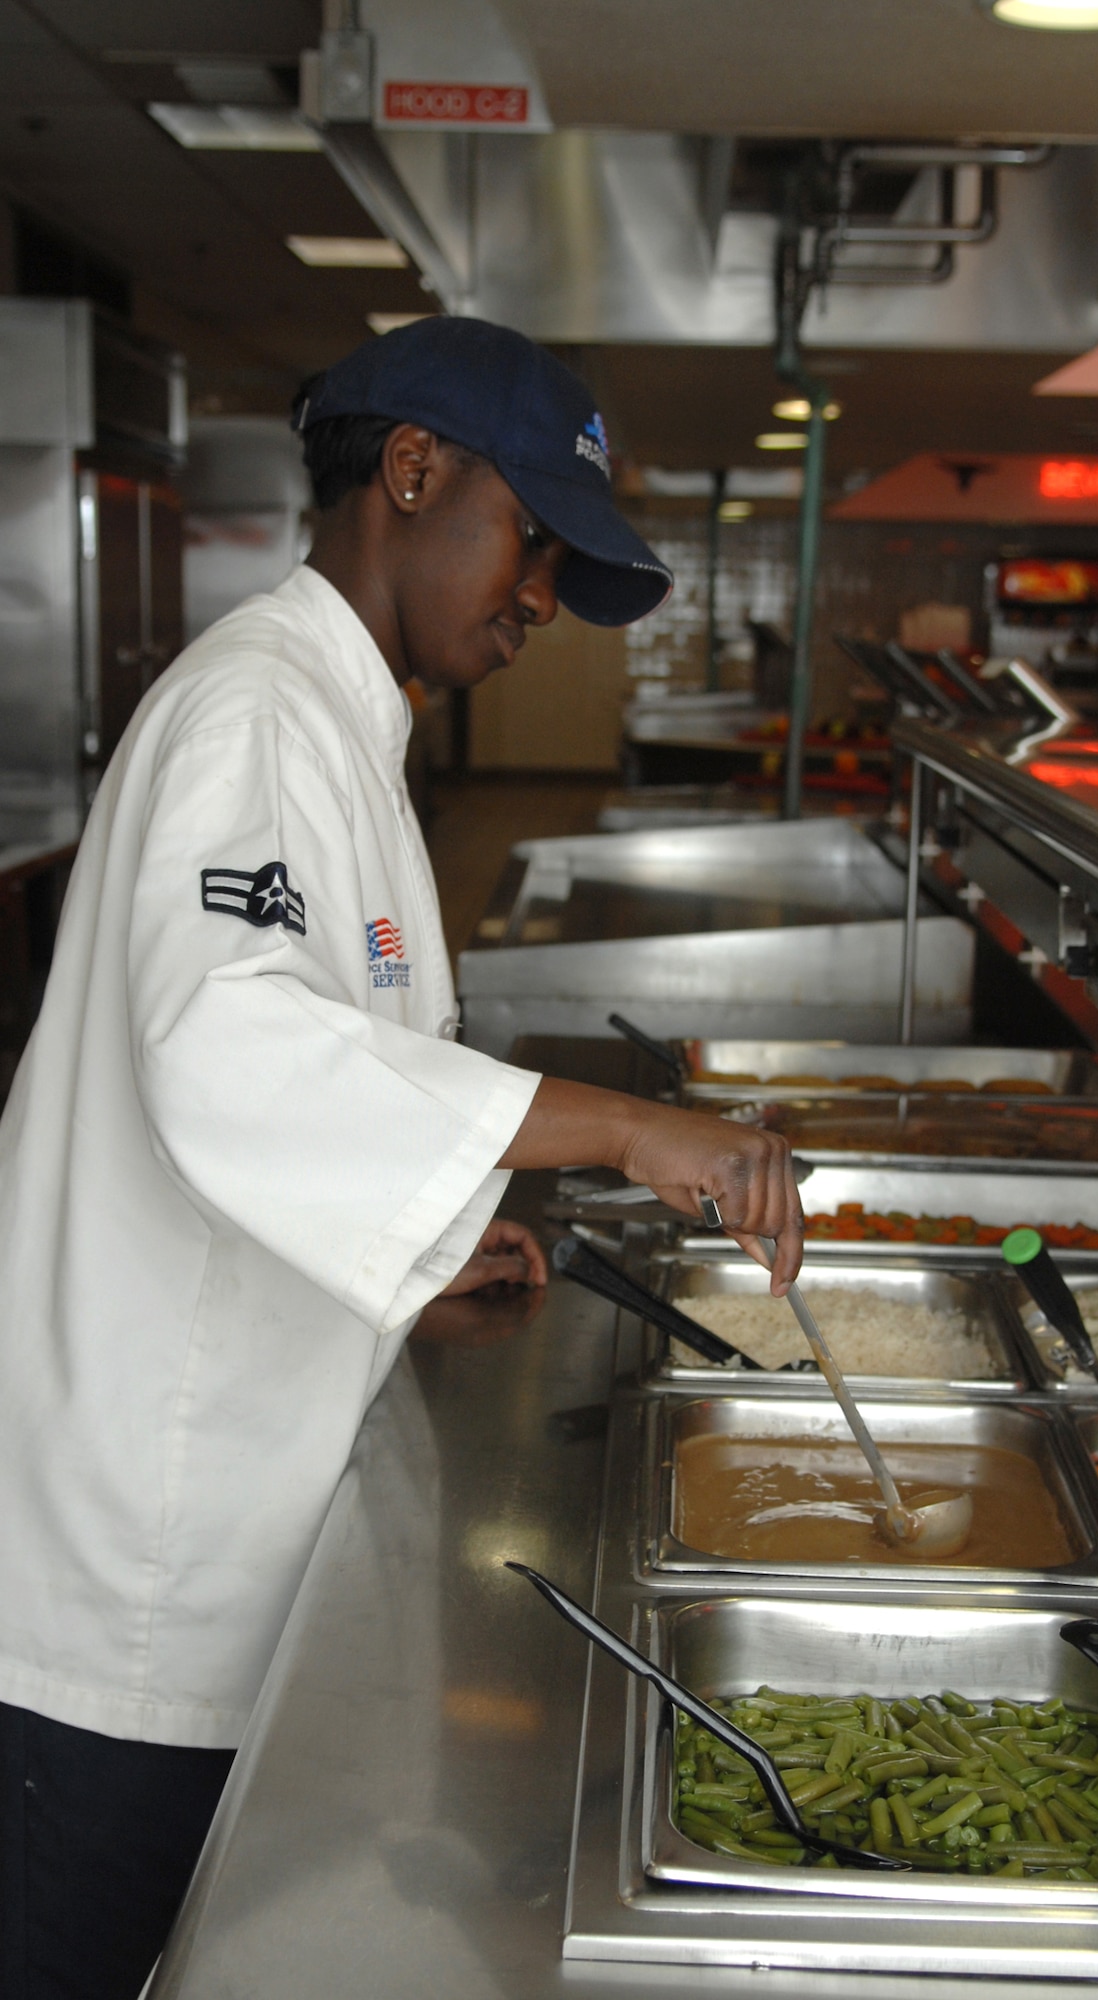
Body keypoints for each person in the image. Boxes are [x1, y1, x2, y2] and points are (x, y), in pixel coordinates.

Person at [0, 316, 803, 2000]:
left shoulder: (337, 728)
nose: (534, 604)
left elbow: (307, 1100)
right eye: (534, 547)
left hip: (219, 1497)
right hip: (125, 1576)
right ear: (412, 472)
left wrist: (407, 1263)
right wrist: (635, 1128)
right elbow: (235, 1050)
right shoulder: (255, 715)